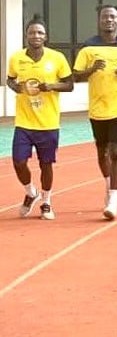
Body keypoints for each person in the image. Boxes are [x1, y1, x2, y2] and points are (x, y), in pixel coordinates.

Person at [72, 5, 117, 220]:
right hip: (98, 108)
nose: (108, 20)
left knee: (116, 152)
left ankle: (114, 199)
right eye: (105, 17)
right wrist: (92, 70)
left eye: (112, 17)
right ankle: (108, 183)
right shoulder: (88, 48)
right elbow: (75, 75)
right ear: (99, 20)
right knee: (102, 153)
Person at [6, 14, 74, 220]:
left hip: (48, 123)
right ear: (26, 35)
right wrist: (15, 86)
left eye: (40, 32)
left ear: (45, 37)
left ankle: (46, 201)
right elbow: (10, 80)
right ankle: (30, 192)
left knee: (46, 165)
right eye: (32, 32)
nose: (35, 35)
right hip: (24, 122)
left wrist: (51, 86)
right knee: (18, 162)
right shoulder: (16, 58)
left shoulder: (57, 58)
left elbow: (69, 84)